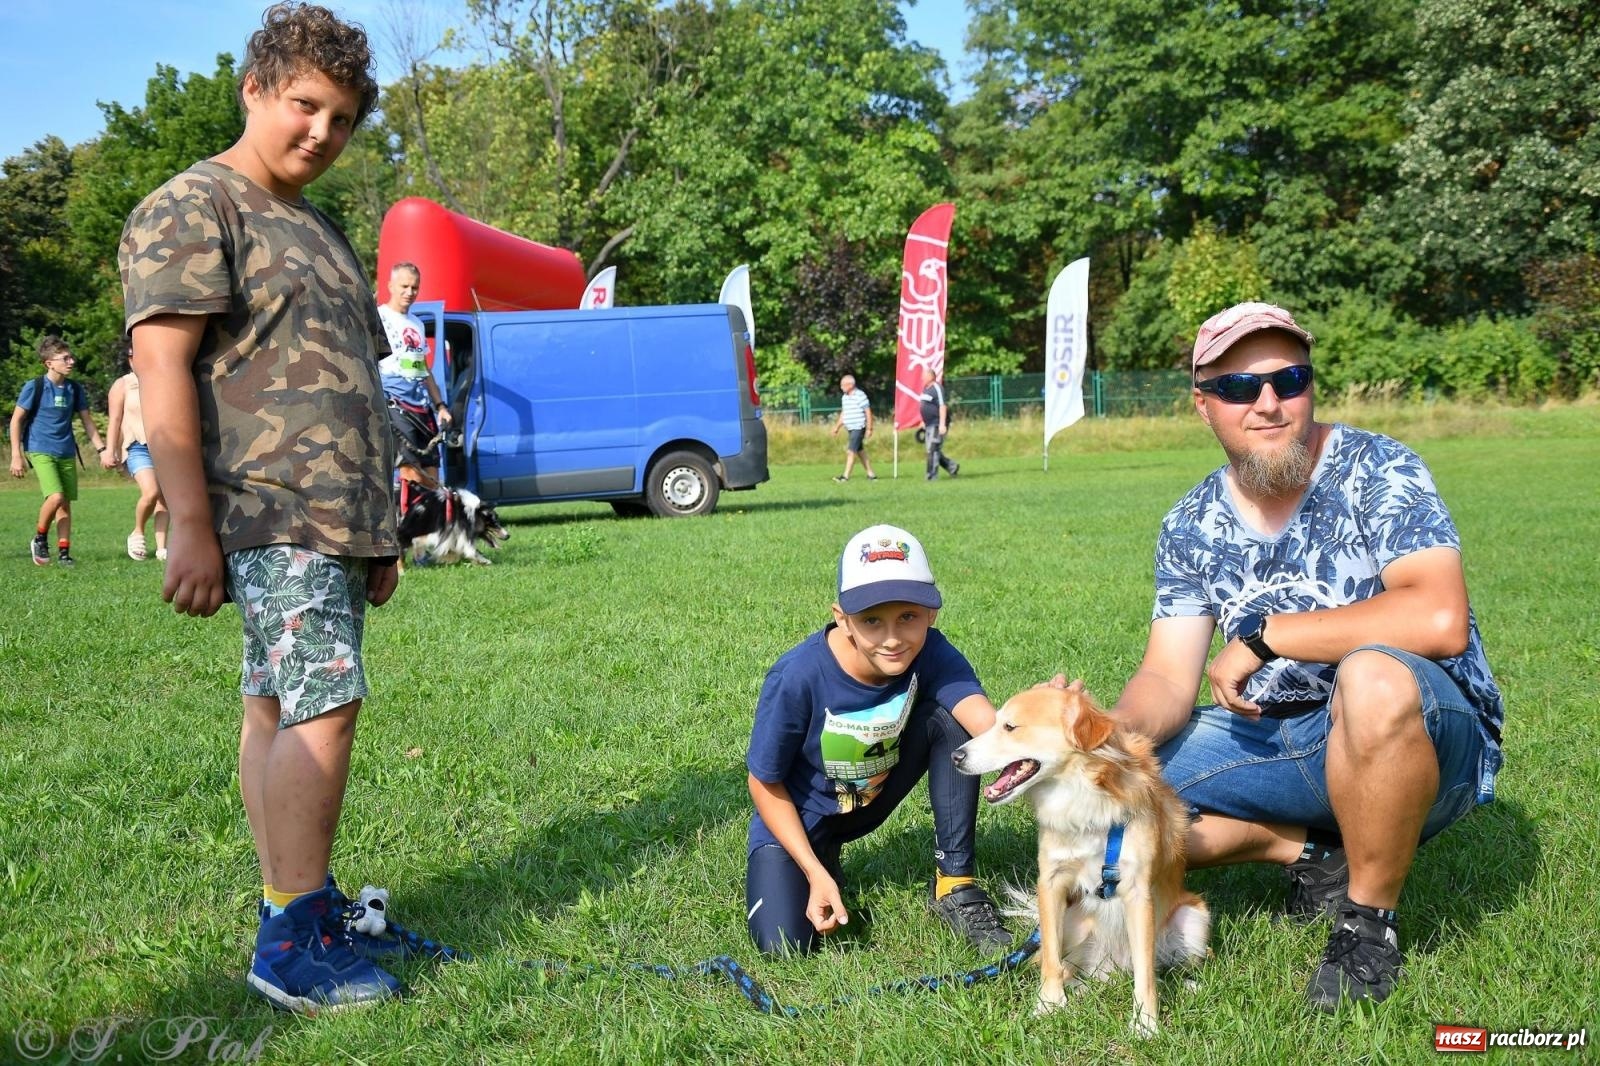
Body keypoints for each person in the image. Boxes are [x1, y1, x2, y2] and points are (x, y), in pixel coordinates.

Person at [118, 1, 404, 1014]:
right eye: (305, 106)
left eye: (343, 119)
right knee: (326, 702)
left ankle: (295, 900)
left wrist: (383, 525)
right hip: (269, 508)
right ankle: (292, 942)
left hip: (338, 515)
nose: (323, 132)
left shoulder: (322, 229)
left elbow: (357, 384)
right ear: (254, 89)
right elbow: (161, 368)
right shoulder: (194, 205)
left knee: (276, 705)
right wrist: (189, 524)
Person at [1106, 301, 1503, 1012]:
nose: (1268, 403)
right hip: (1279, 736)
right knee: (1111, 798)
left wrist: (1269, 636)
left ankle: (1367, 926)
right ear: (1203, 404)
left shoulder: (1378, 468)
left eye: (1288, 380)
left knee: (1371, 675)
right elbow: (1166, 674)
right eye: (1239, 387)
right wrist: (1105, 737)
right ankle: (1309, 851)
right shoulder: (1190, 523)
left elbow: (1439, 618)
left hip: (1419, 733)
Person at [745, 524, 1011, 956]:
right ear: (842, 618)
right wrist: (813, 871)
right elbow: (763, 781)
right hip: (800, 818)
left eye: (908, 617)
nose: (892, 638)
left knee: (951, 720)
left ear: (931, 613)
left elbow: (986, 724)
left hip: (870, 801)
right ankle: (818, 861)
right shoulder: (796, 676)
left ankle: (954, 883)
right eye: (871, 620)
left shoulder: (932, 651)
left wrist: (1045, 721)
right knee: (784, 945)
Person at [9, 335, 105, 567]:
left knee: (64, 504)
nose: (71, 362)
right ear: (49, 363)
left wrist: (102, 450)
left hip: (66, 451)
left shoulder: (74, 388)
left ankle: (64, 553)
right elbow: (16, 420)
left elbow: (87, 421)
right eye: (65, 358)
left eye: (71, 357)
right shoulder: (34, 387)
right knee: (56, 496)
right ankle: (40, 538)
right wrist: (16, 455)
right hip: (40, 449)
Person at [377, 261, 453, 513]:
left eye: (414, 287)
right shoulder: (378, 318)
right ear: (390, 286)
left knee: (432, 473)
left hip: (420, 403)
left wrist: (440, 406)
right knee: (411, 472)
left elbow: (424, 369)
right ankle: (408, 527)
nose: (409, 292)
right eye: (404, 286)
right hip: (393, 401)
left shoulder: (417, 324)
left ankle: (430, 525)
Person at [100, 346, 169, 561]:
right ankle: (137, 532)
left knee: (164, 499)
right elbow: (115, 420)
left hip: (163, 446)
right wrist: (110, 450)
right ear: (128, 359)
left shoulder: (161, 380)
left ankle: (162, 548)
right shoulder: (123, 384)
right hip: (137, 446)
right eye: (132, 356)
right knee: (151, 492)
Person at [829, 374, 877, 482]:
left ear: (850, 385)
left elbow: (868, 412)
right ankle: (871, 475)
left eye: (843, 385)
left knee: (851, 451)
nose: (841, 387)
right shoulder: (845, 397)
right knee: (860, 451)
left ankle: (845, 477)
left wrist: (869, 428)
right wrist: (837, 427)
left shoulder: (860, 395)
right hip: (850, 428)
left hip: (858, 427)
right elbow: (844, 413)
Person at [917, 367, 959, 480]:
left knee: (933, 449)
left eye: (924, 375)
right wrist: (923, 421)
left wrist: (942, 424)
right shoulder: (926, 389)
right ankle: (952, 466)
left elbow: (942, 406)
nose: (922, 377)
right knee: (932, 449)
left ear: (930, 376)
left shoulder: (937, 388)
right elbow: (925, 406)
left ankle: (931, 476)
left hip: (936, 423)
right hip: (928, 424)